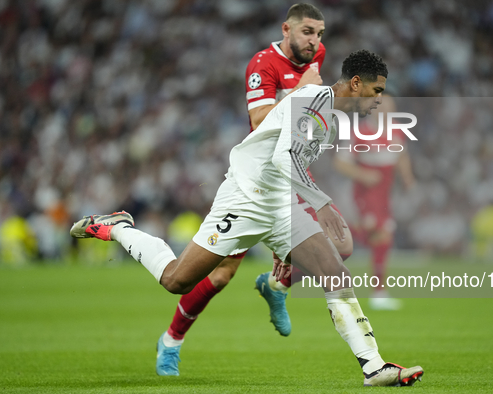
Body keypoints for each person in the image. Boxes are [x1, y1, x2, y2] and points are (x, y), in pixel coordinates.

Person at [70, 49, 423, 387]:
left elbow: (293, 165)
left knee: (335, 271)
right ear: (357, 83)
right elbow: (284, 159)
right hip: (244, 198)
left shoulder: (332, 121)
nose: (379, 100)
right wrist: (323, 203)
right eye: (377, 91)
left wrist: (308, 211)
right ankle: (119, 228)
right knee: (177, 280)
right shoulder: (313, 100)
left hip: (282, 203)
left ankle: (373, 367)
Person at [151, 3, 353, 377]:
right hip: (256, 181)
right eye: (307, 32)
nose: (315, 42)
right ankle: (171, 341)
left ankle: (277, 283)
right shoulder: (262, 65)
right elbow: (260, 120)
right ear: (286, 29)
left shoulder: (317, 55)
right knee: (220, 275)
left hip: (290, 173)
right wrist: (303, 91)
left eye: (320, 34)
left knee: (339, 246)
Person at [333, 96, 415, 310]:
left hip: (385, 194)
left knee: (377, 237)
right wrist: (363, 174)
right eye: (383, 107)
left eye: (391, 108)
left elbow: (402, 154)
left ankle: (330, 238)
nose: (387, 111)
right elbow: (341, 162)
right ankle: (379, 293)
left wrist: (407, 178)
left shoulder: (396, 130)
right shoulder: (358, 132)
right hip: (365, 194)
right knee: (382, 237)